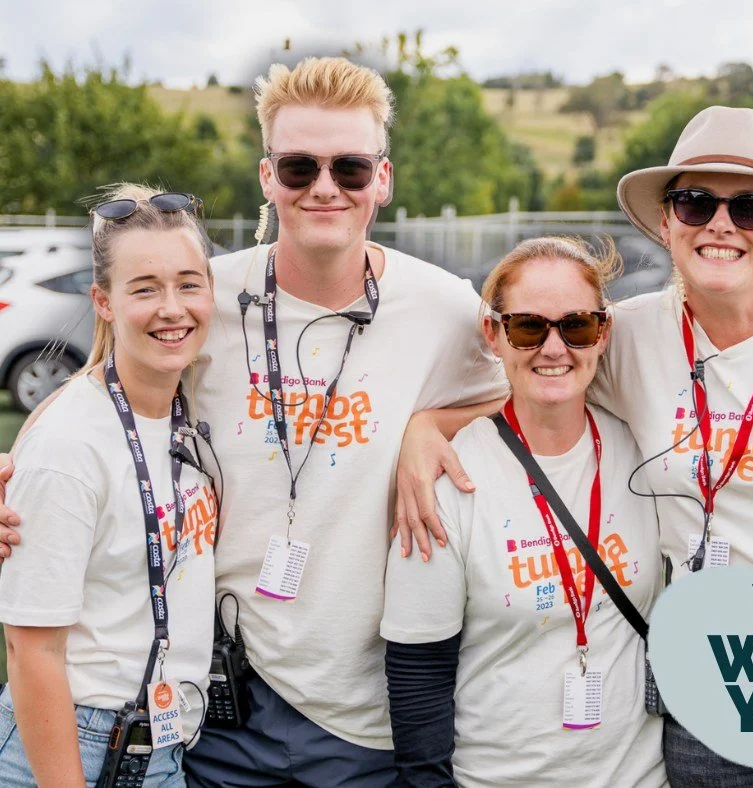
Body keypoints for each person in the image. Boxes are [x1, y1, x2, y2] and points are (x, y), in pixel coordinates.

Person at [392, 106, 753, 787]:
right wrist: (427, 429)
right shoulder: (624, 335)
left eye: (749, 207)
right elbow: (537, 377)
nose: (720, 223)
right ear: (665, 222)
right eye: (694, 202)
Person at [0, 56, 507, 786]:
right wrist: (17, 470)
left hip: (360, 716)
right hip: (214, 710)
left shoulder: (444, 307)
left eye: (351, 169)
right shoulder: (204, 294)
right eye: (300, 168)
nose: (325, 188)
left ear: (384, 180)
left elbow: (532, 395)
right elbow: (95, 390)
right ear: (268, 178)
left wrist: (435, 424)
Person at [382, 237, 667, 787]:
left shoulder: (644, 453)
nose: (554, 348)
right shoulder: (449, 476)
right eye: (529, 327)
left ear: (602, 333)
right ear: (494, 334)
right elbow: (419, 669)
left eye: (577, 326)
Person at [0, 185, 218, 786]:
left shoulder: (188, 411)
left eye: (188, 283)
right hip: (76, 743)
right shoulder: (70, 443)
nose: (172, 307)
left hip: (163, 747)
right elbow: (31, 652)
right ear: (103, 300)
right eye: (144, 288)